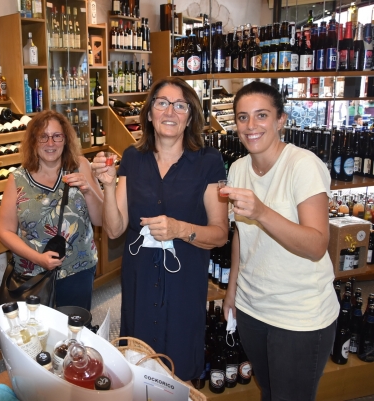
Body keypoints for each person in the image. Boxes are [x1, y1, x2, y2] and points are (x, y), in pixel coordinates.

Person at [91, 76, 229, 381]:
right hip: (140, 280)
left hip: (184, 284)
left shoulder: (208, 161)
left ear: (190, 115)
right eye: (162, 103)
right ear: (150, 113)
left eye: (180, 105)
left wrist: (180, 228)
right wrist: (108, 185)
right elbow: (114, 230)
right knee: (139, 368)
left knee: (177, 369)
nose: (170, 112)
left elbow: (220, 233)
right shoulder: (132, 158)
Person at [221, 81, 339, 401]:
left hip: (299, 314)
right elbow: (240, 238)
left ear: (281, 120)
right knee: (270, 391)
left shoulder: (303, 165)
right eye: (243, 117)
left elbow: (316, 246)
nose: (251, 125)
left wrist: (261, 211)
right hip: (252, 307)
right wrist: (232, 290)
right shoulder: (239, 169)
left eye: (262, 115)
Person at [0, 110, 103, 311]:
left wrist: (88, 190)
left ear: (66, 139)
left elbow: (100, 220)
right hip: (32, 276)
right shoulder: (17, 179)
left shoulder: (80, 166)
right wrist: (38, 258)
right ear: (33, 141)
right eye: (43, 137)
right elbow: (5, 231)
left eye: (57, 136)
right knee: (39, 338)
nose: (50, 143)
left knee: (74, 333)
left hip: (78, 270)